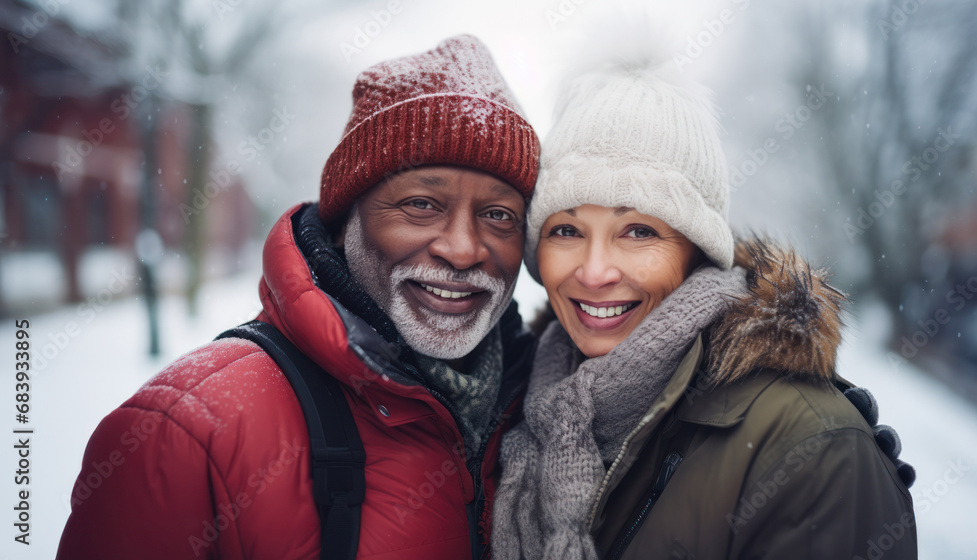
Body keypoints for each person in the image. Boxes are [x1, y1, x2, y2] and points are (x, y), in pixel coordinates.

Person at [56, 35, 541, 560]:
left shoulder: (549, 409)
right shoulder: (180, 436)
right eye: (422, 204)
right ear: (342, 224)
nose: (464, 249)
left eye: (499, 215)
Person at [492, 60, 917, 559]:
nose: (594, 271)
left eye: (639, 231)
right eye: (566, 230)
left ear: (698, 251)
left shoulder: (813, 451)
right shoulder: (518, 395)